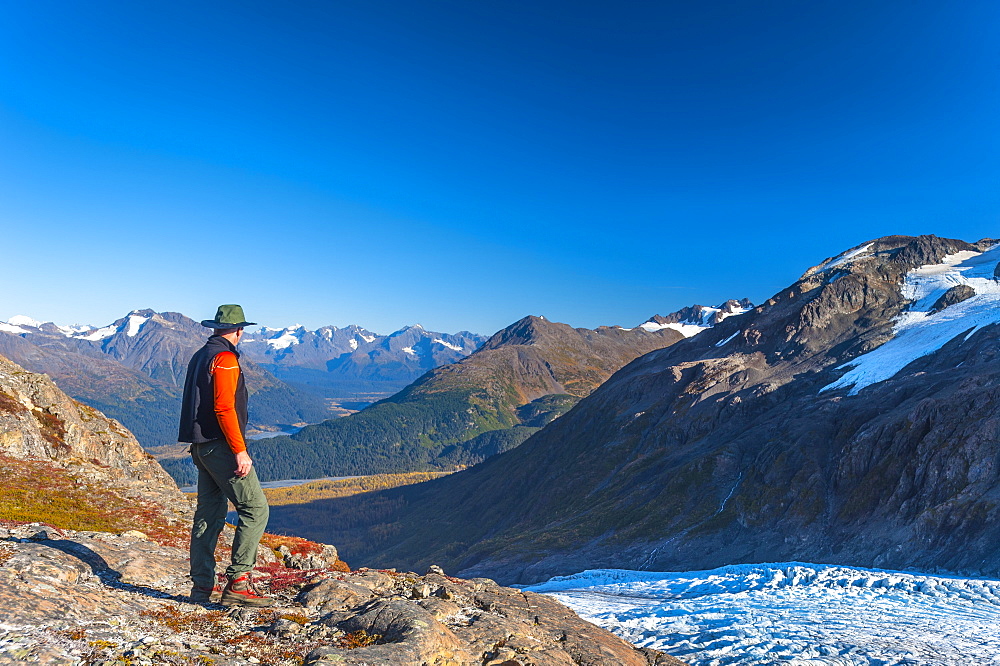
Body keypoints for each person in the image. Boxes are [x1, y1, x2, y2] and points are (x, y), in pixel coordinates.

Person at [178, 304, 273, 607]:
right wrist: (240, 450)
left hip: (201, 447)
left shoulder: (200, 355)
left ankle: (202, 587)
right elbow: (223, 407)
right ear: (239, 330)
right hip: (221, 446)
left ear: (216, 328)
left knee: (209, 514)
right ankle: (239, 582)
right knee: (255, 509)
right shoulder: (225, 359)